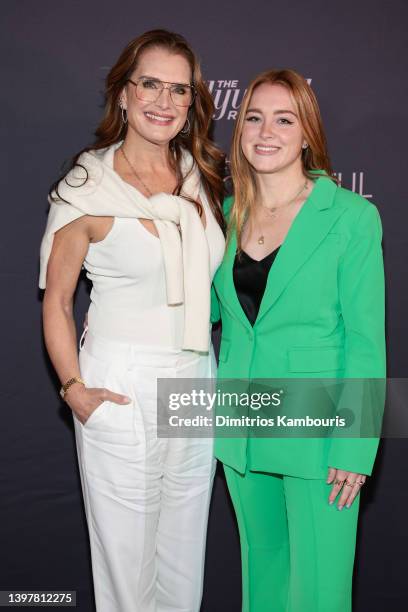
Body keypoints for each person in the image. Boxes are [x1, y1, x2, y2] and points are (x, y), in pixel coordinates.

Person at [40, 29, 225, 612]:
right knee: (125, 556)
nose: (164, 102)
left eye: (179, 89)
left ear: (192, 103)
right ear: (123, 91)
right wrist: (74, 387)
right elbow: (57, 299)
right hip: (120, 379)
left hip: (195, 376)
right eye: (150, 84)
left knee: (182, 548)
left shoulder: (202, 176)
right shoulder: (87, 185)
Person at [211, 69, 386, 611]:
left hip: (319, 436)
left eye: (284, 119)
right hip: (242, 430)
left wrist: (355, 447)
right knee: (261, 586)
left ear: (307, 132)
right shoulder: (226, 214)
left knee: (319, 594)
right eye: (254, 118)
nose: (267, 131)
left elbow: (365, 341)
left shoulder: (352, 217)